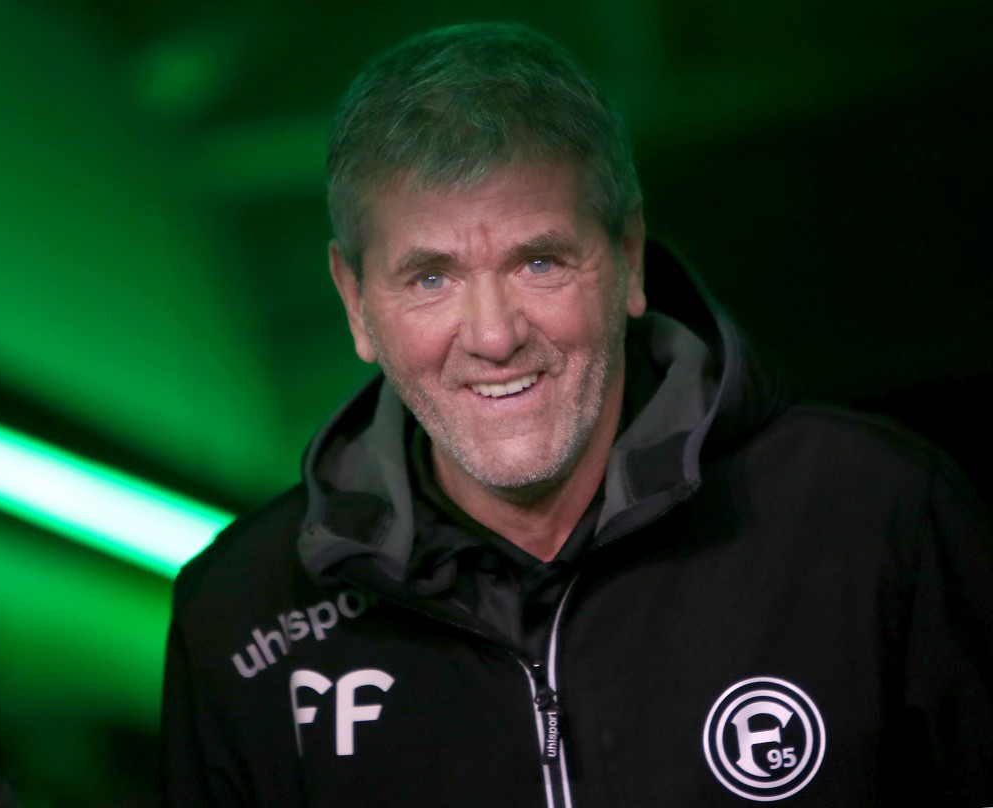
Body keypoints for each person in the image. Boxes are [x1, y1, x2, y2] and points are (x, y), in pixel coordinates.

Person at [159, 22, 993, 807]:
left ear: (628, 257)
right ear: (355, 303)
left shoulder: (874, 517)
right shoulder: (240, 616)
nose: (492, 336)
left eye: (539, 261)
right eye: (430, 279)